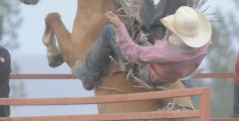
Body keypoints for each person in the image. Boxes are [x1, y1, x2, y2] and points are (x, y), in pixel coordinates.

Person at [74, 6, 212, 90]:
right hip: (175, 72)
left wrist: (119, 26)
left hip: (149, 73)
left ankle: (89, 75)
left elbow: (133, 53)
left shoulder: (165, 53)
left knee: (108, 31)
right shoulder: (203, 44)